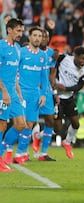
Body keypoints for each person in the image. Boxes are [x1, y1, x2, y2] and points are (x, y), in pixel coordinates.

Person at [13, 26, 48, 164]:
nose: (37, 38)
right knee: (20, 124)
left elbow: (44, 78)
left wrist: (44, 94)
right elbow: (15, 71)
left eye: (40, 36)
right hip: (21, 93)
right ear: (29, 37)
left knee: (30, 124)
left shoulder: (43, 56)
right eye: (35, 35)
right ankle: (9, 150)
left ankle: (20, 153)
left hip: (35, 94)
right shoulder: (21, 52)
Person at [53, 46, 84, 159]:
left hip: (69, 98)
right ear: (75, 56)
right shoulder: (64, 59)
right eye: (81, 58)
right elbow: (52, 67)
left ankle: (67, 142)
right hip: (56, 97)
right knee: (57, 129)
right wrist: (54, 84)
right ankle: (39, 136)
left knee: (76, 123)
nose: (83, 61)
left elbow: (79, 86)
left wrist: (65, 88)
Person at [0, 18, 25, 172]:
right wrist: (4, 92)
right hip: (2, 91)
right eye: (18, 30)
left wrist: (18, 93)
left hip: (13, 92)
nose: (21, 34)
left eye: (22, 31)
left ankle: (2, 151)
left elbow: (15, 73)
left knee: (21, 124)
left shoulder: (17, 49)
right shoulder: (1, 47)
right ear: (9, 30)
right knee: (2, 124)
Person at [31, 29, 58, 161]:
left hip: (46, 91)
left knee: (50, 120)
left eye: (46, 37)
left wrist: (55, 92)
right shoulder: (29, 51)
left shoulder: (52, 53)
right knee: (30, 121)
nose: (43, 39)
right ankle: (22, 153)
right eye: (41, 36)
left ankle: (44, 153)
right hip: (31, 89)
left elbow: (52, 74)